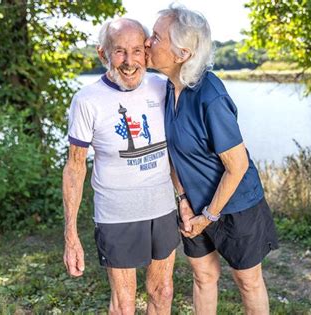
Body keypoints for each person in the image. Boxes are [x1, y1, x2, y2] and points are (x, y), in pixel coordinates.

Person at [145, 5, 279, 315]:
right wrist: (183, 200)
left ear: (181, 53)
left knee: (248, 282)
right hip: (193, 209)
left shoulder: (211, 96)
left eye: (156, 37)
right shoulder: (168, 88)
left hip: (235, 206)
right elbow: (173, 153)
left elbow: (237, 165)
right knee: (203, 276)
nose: (147, 42)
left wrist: (210, 215)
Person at [62, 18, 179, 315]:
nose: (129, 62)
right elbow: (75, 167)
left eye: (137, 51)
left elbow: (180, 148)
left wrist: (184, 198)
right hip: (117, 214)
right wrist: (71, 234)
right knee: (124, 305)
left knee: (163, 292)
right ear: (103, 54)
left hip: (162, 208)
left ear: (147, 53)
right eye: (119, 52)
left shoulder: (163, 87)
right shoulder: (87, 101)